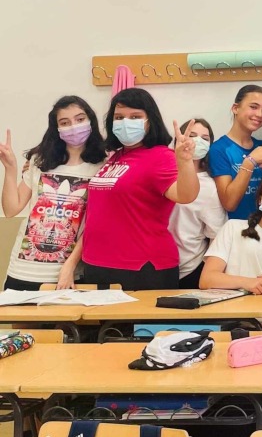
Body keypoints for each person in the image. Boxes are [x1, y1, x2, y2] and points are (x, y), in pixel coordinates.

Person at [81, 88, 200, 289]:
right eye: (118, 117)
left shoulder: (161, 156)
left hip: (142, 268)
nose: (125, 122)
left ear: (150, 121)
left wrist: (186, 161)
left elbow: (185, 195)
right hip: (97, 265)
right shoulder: (115, 157)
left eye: (135, 116)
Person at [1, 96, 106, 290]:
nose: (73, 127)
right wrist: (10, 168)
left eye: (80, 119)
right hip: (23, 267)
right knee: (21, 320)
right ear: (56, 128)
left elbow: (94, 223)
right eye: (64, 123)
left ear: (90, 120)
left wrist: (70, 266)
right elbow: (11, 209)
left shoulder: (104, 164)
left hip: (67, 271)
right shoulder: (40, 160)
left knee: (64, 321)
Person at [169, 118, 227, 288]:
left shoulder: (209, 186)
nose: (197, 141)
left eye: (205, 138)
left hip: (189, 267)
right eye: (192, 135)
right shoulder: (162, 173)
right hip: (155, 265)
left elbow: (216, 235)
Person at [209, 85, 262, 219]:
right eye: (254, 107)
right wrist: (250, 162)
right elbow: (229, 203)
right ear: (235, 108)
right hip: (236, 231)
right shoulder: (219, 150)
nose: (259, 114)